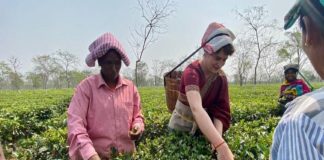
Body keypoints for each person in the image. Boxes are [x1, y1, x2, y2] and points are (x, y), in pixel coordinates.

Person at [67, 33, 144, 160]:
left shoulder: (130, 88)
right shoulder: (86, 88)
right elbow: (76, 126)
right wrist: (91, 155)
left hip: (126, 156)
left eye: (117, 63)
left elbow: (137, 116)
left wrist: (137, 127)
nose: (114, 69)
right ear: (100, 62)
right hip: (95, 156)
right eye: (109, 63)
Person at [168, 22, 235, 160]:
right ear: (207, 51)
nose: (220, 64)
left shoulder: (221, 79)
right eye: (217, 58)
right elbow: (196, 108)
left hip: (202, 131)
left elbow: (220, 111)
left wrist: (216, 139)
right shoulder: (191, 72)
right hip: (179, 128)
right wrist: (221, 145)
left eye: (224, 60)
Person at [271, 0, 324, 159]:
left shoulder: (302, 120)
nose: (291, 76)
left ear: (309, 30)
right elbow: (281, 98)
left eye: (293, 73)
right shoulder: (284, 86)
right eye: (288, 73)